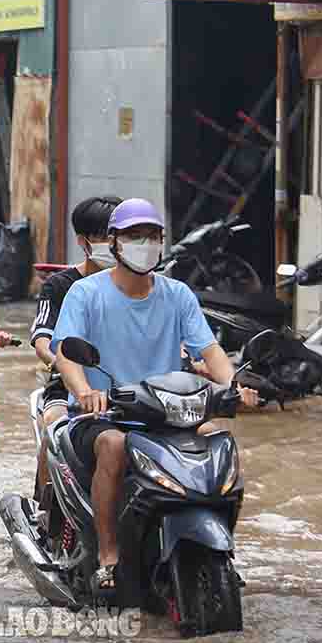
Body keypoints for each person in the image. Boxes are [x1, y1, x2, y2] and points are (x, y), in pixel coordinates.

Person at [51, 198, 259, 594]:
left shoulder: (178, 294)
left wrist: (231, 388)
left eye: (152, 236)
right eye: (134, 236)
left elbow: (209, 350)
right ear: (114, 243)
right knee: (114, 445)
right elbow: (66, 353)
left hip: (168, 413)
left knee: (218, 438)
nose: (144, 243)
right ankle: (109, 557)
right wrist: (86, 391)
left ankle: (220, 551)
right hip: (104, 415)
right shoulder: (85, 292)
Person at [28, 195, 122, 507]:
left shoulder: (141, 285)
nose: (111, 244)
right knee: (54, 426)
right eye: (102, 237)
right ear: (83, 242)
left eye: (116, 236)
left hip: (128, 384)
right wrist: (67, 365)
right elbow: (43, 339)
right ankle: (45, 506)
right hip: (69, 386)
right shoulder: (60, 286)